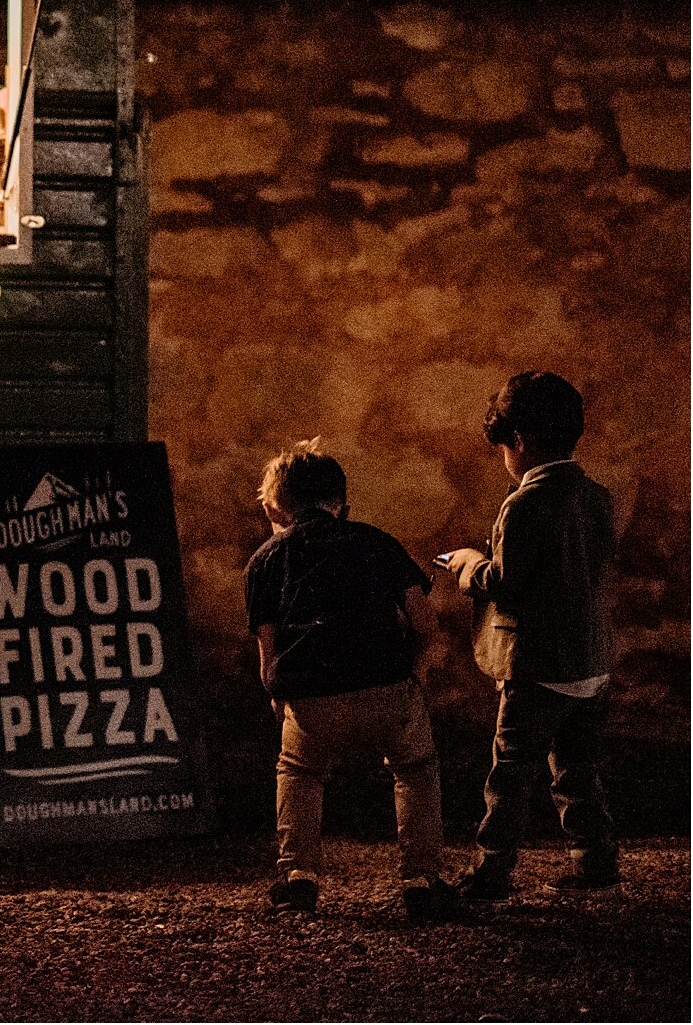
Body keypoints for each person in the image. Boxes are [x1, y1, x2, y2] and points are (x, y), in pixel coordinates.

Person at [242, 441, 459, 924]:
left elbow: (267, 656)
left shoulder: (265, 560)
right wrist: (414, 677)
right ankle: (420, 881)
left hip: (310, 697)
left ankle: (299, 877)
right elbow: (425, 625)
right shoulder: (378, 542)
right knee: (415, 770)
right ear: (339, 501)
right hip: (386, 687)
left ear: (277, 506)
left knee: (298, 774)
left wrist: (282, 701)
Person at [441, 371, 621, 900]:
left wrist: (469, 563)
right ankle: (596, 857)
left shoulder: (523, 504)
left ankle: (492, 869)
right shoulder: (598, 497)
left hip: (536, 666)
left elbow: (506, 586)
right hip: (591, 661)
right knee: (577, 768)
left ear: (517, 441)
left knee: (510, 774)